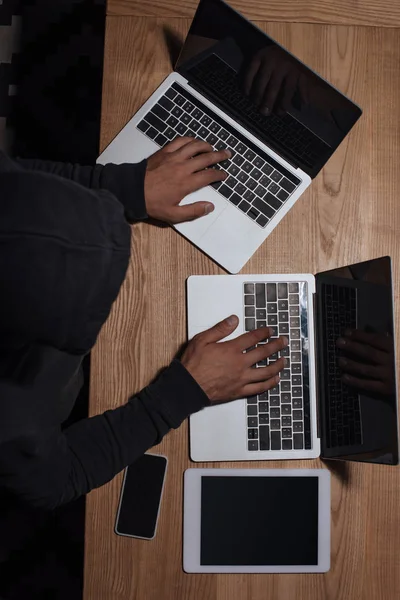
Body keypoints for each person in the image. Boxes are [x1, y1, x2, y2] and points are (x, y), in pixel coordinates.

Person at [0, 137, 288, 510]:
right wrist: (184, 391)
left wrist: (128, 189)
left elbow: (15, 174)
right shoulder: (12, 423)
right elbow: (57, 480)